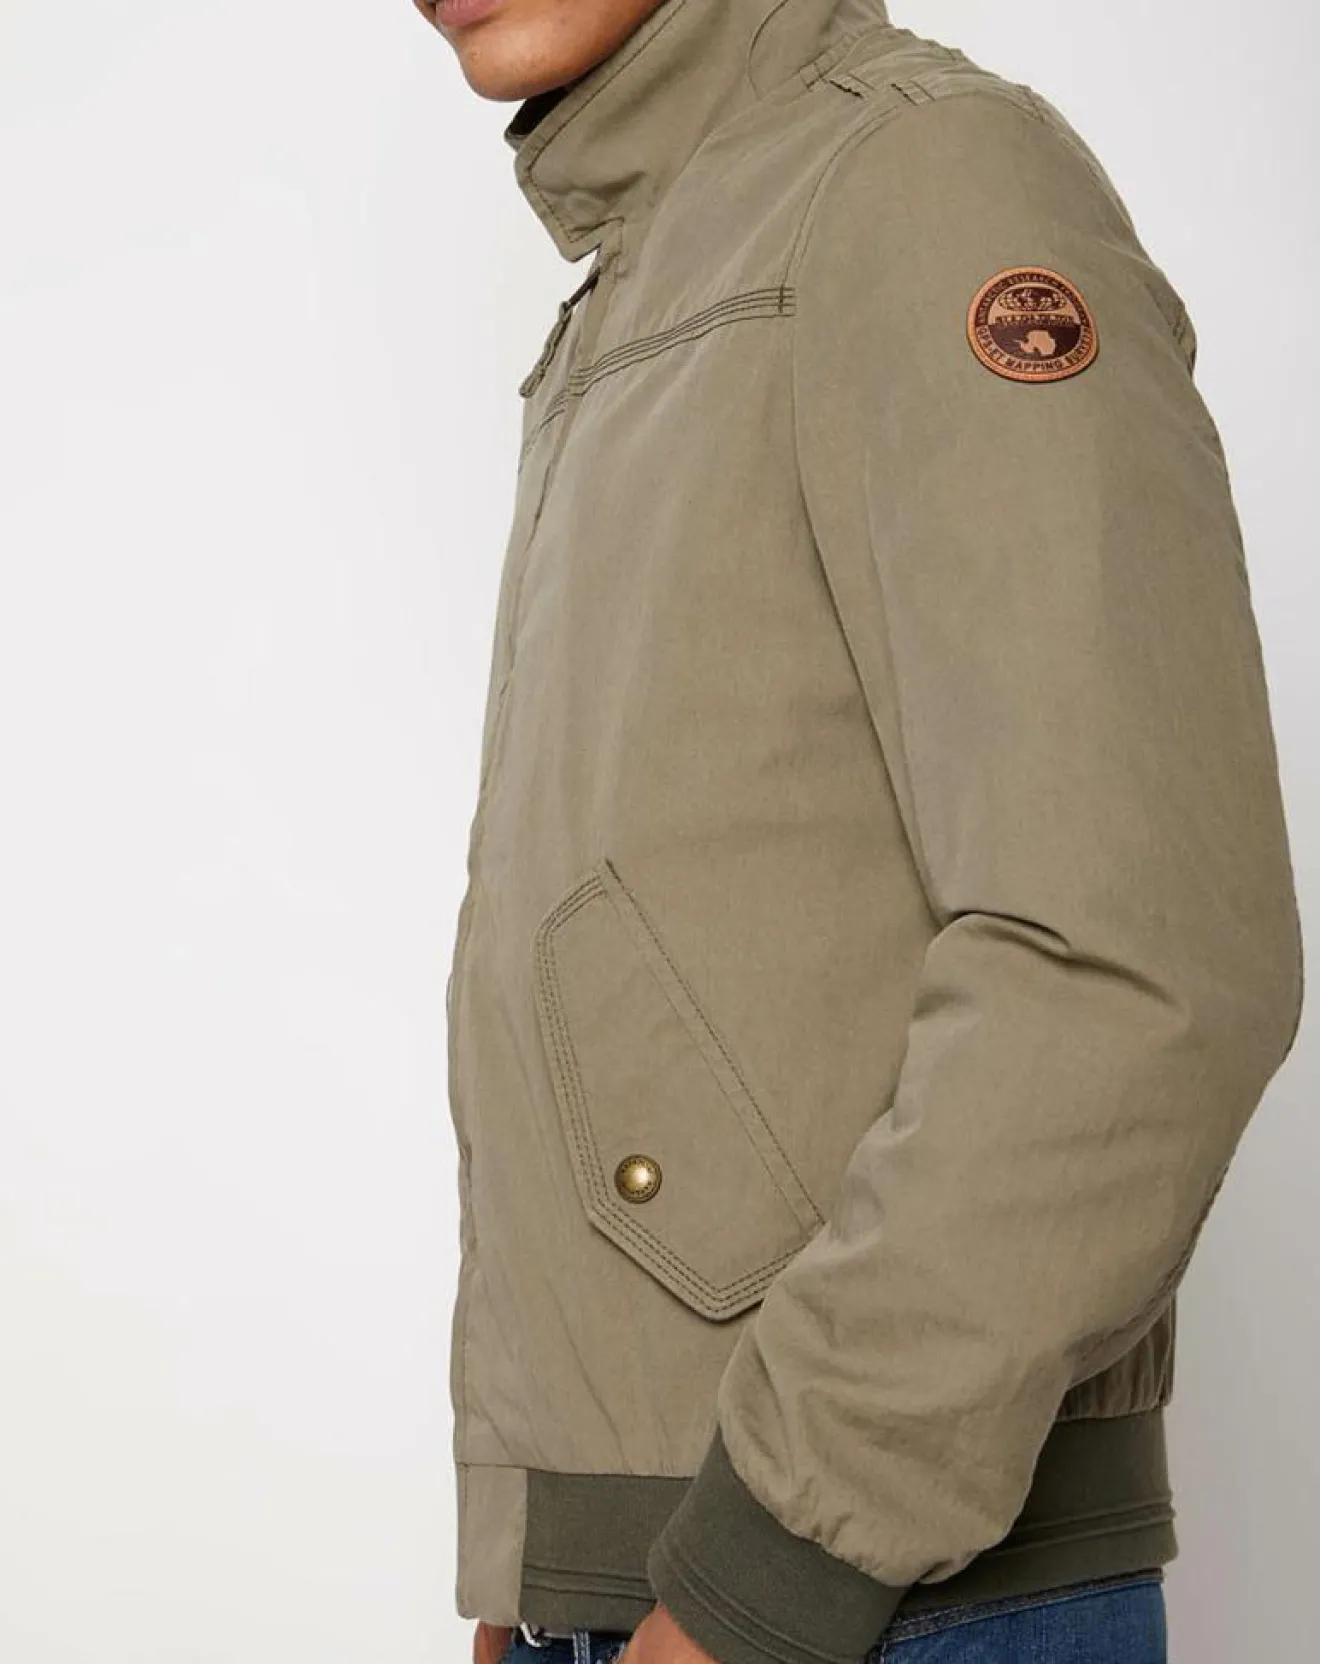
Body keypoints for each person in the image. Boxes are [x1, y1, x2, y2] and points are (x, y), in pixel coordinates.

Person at [410, 2, 1305, 1661]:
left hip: (877, 1600)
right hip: (669, 1589)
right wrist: (551, 1581)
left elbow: (1138, 966)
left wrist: (764, 1575)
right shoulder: (665, 266)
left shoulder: (924, 185)